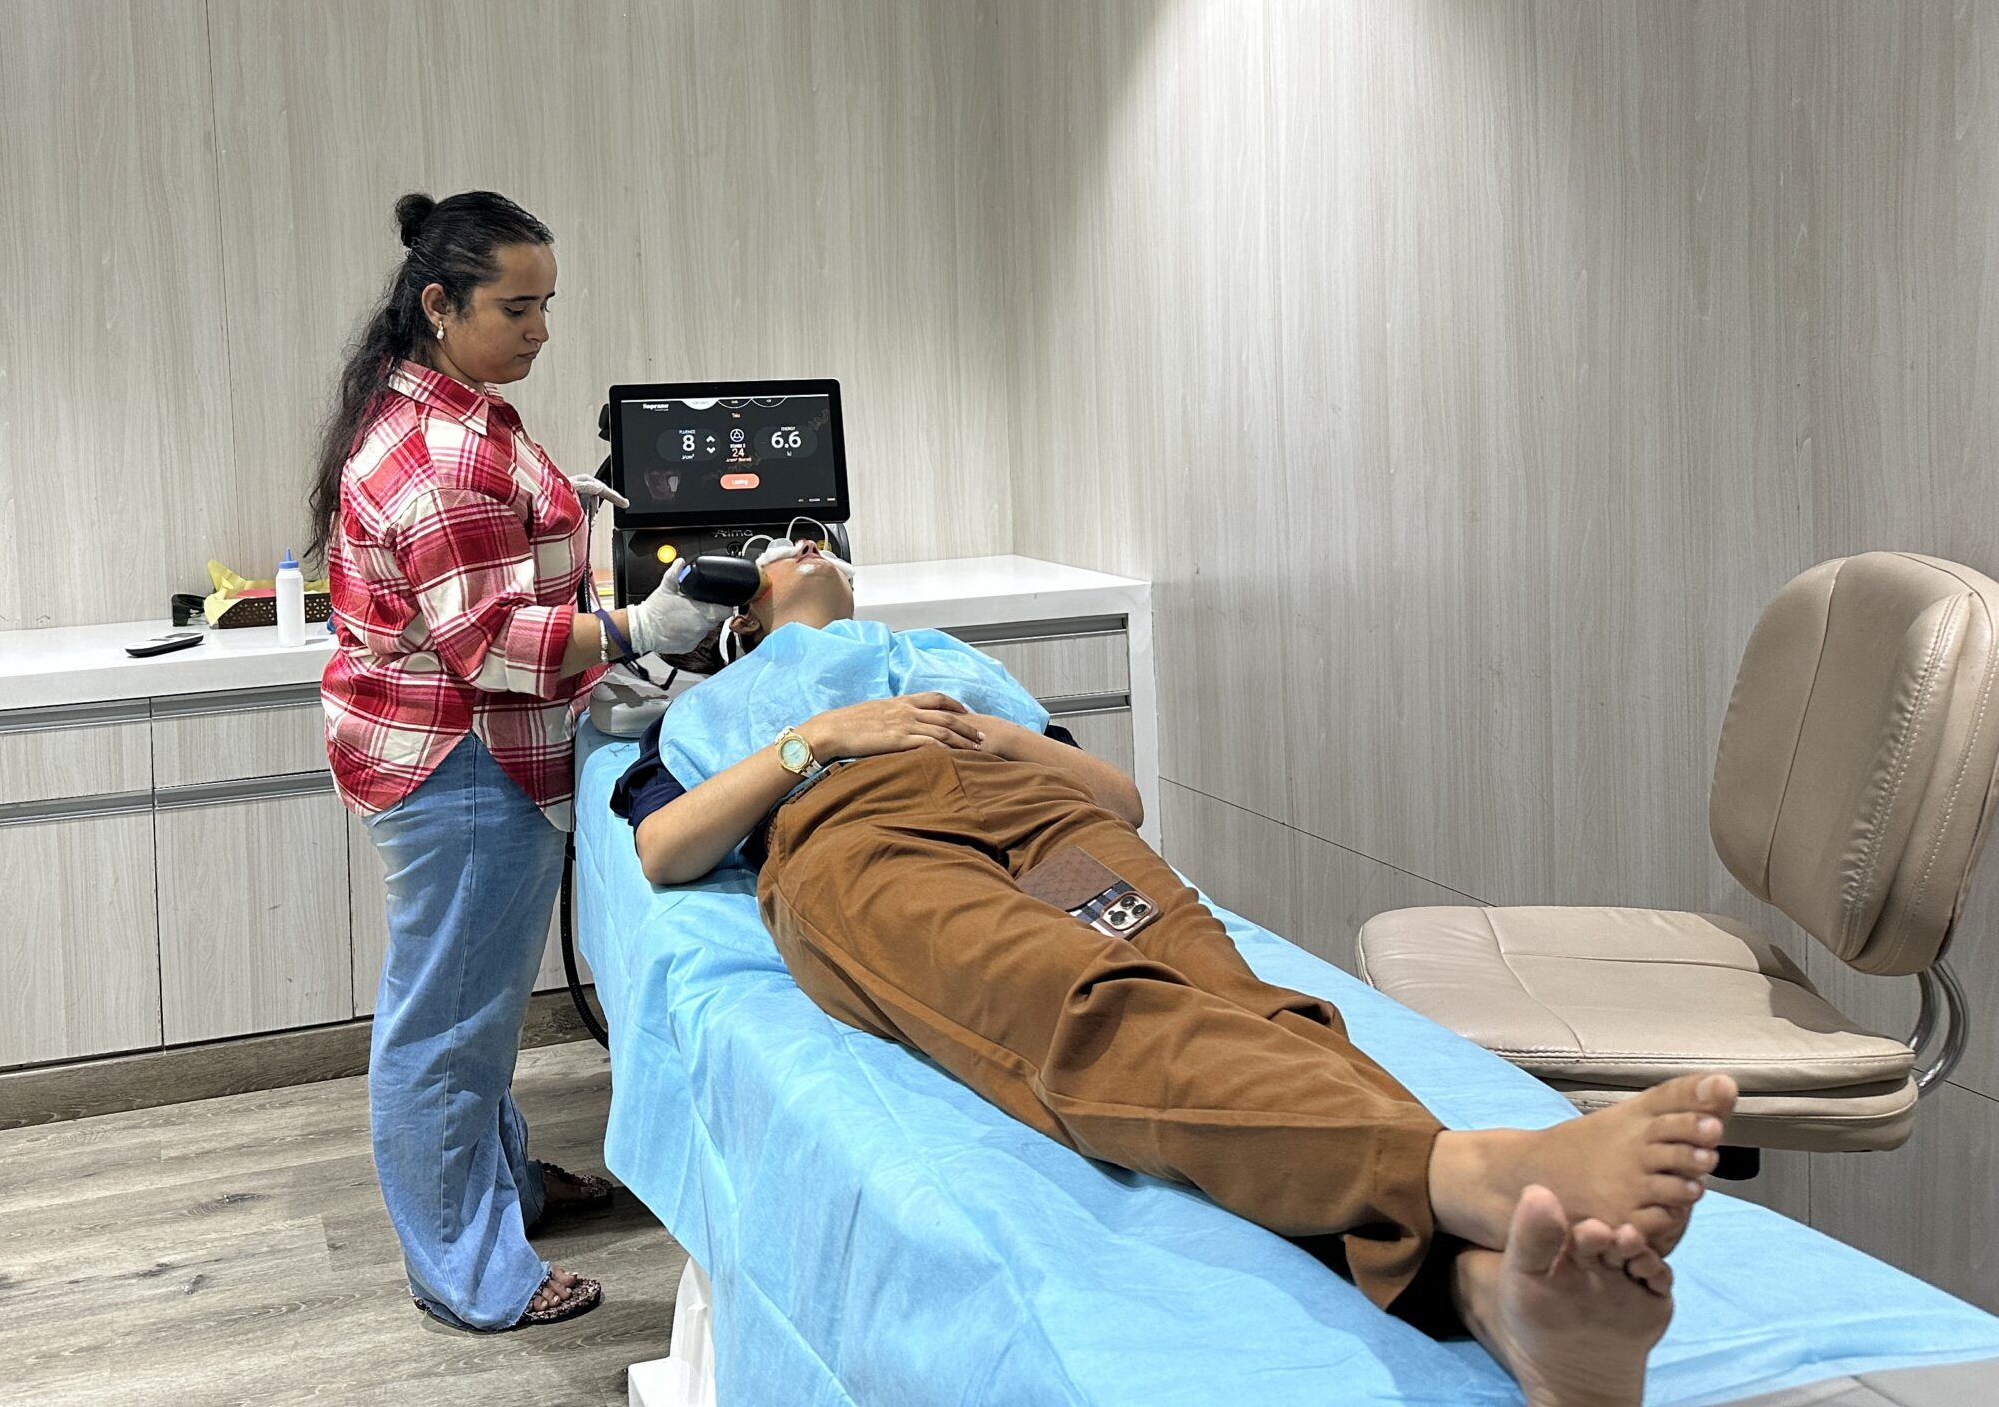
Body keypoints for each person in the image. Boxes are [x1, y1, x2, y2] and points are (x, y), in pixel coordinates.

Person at [611, 540, 1738, 1407]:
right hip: (861, 837)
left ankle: (1491, 1296)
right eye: (778, 550)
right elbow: (666, 850)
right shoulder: (710, 705)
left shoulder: (946, 659)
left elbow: (1120, 800)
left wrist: (1003, 740)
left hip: (1041, 820)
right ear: (743, 612)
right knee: (1071, 1000)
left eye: (821, 543)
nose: (805, 550)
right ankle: (1468, 1172)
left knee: (1234, 1002)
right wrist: (822, 741)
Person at [310, 189, 733, 1330]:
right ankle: (469, 1272)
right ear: (439, 304)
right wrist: (639, 629)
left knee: (476, 1008)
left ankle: (498, 1189)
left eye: (548, 304)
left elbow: (483, 553)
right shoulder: (439, 455)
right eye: (517, 308)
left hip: (453, 744)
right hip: (461, 762)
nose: (540, 329)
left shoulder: (455, 406)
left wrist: (553, 515)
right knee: (447, 1025)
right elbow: (490, 643)